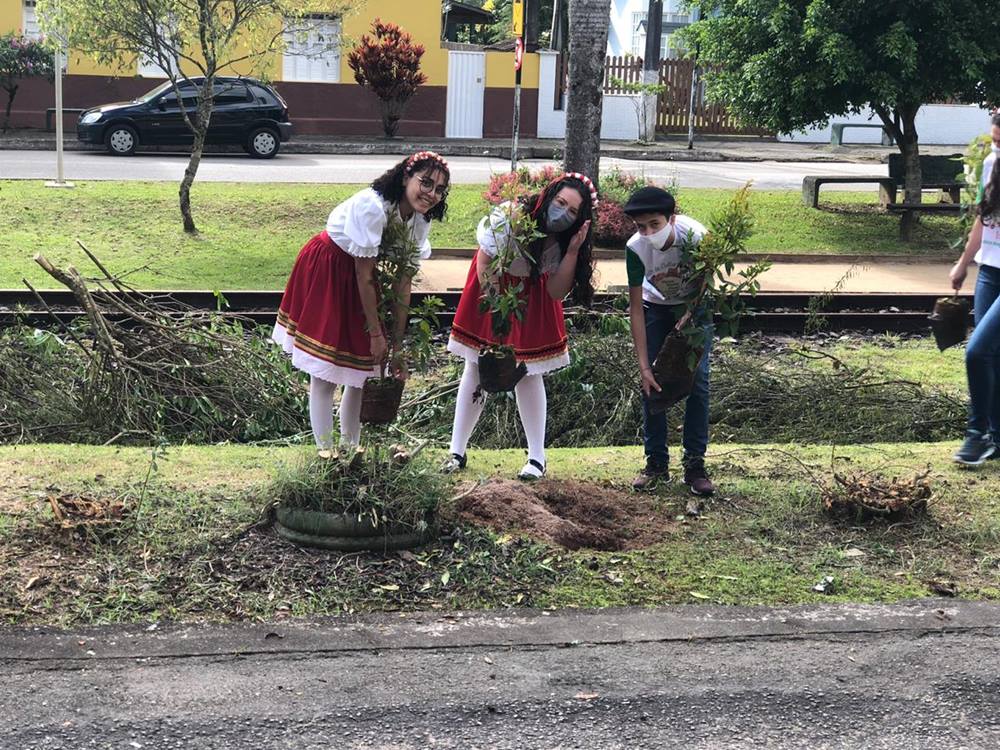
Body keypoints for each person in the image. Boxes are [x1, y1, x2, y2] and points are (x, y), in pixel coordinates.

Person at [272, 151, 450, 453]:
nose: (432, 194)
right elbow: (362, 272)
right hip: (330, 267)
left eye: (440, 189)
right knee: (325, 370)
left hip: (364, 279)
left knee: (361, 371)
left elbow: (403, 282)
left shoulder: (419, 220)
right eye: (426, 183)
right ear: (406, 178)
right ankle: (325, 452)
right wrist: (376, 333)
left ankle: (350, 449)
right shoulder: (373, 207)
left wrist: (396, 346)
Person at [443, 173, 597, 480]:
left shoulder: (563, 241)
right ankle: (456, 451)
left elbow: (556, 291)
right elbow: (485, 262)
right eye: (560, 202)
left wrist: (572, 251)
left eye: (572, 211)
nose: (562, 213)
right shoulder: (511, 216)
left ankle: (536, 458)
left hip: (533, 296)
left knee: (528, 371)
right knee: (476, 364)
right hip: (493, 285)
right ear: (548, 196)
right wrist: (497, 307)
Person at [622, 186, 715, 496]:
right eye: (641, 226)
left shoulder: (697, 237)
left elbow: (705, 284)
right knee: (653, 383)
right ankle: (656, 464)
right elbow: (636, 308)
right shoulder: (635, 248)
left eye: (655, 224)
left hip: (694, 308)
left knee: (697, 381)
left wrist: (689, 316)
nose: (649, 233)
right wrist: (644, 366)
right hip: (655, 308)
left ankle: (695, 466)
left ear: (671, 218)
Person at [950, 114, 1000, 466]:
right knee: (993, 356)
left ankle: (976, 435)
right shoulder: (991, 165)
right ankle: (996, 437)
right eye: (995, 140)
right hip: (989, 271)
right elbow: (983, 220)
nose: (997, 147)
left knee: (977, 351)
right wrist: (963, 263)